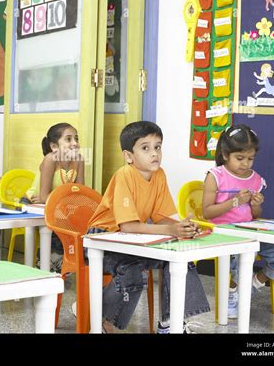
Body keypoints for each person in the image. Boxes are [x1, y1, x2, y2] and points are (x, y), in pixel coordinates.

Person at [86, 121, 210, 333]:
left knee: (177, 258)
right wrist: (171, 230)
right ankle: (100, 319)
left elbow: (160, 217)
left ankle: (170, 323)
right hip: (100, 240)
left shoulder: (159, 175)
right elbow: (127, 226)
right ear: (128, 156)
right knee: (132, 271)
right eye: (145, 148)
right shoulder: (124, 175)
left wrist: (183, 226)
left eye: (158, 146)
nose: (154, 153)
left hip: (131, 241)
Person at [202, 124, 274, 318]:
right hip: (225, 233)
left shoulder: (255, 179)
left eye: (250, 159)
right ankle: (237, 292)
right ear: (226, 155)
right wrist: (235, 201)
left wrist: (255, 204)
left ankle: (248, 288)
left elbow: (255, 216)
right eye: (240, 158)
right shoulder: (216, 176)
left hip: (250, 230)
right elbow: (207, 213)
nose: (245, 164)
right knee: (240, 256)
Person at [24, 123, 85, 272]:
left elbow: (80, 191)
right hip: (33, 202)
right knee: (58, 219)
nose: (75, 143)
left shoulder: (79, 160)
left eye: (76, 139)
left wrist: (68, 200)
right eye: (68, 139)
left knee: (77, 217)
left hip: (58, 202)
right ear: (54, 146)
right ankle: (49, 260)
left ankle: (65, 257)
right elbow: (44, 196)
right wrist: (64, 199)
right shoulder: (50, 159)